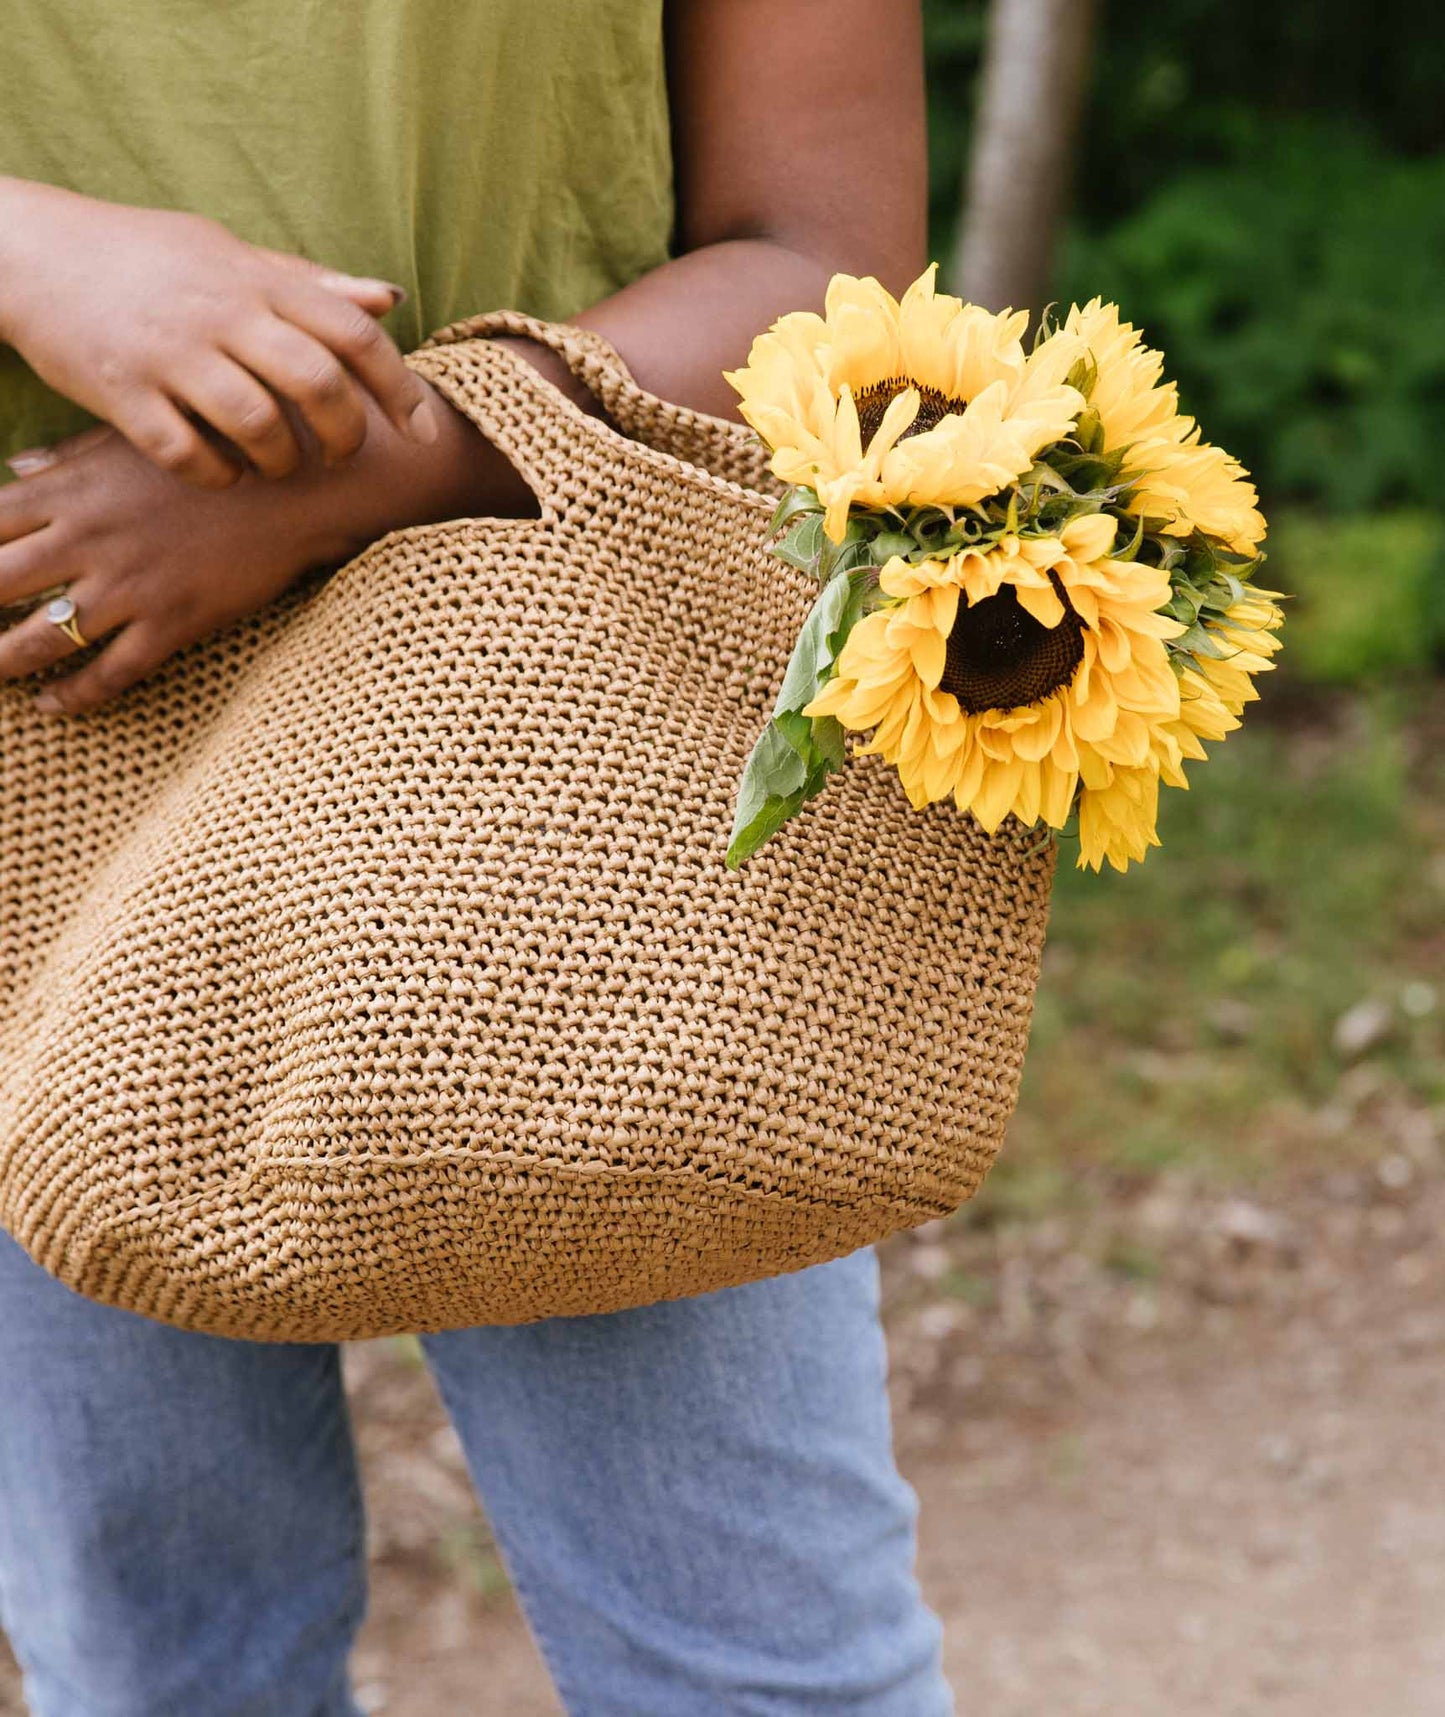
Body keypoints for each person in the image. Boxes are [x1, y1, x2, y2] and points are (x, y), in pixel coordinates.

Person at [0, 3, 951, 1712]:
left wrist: (345, 466)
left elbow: (823, 255)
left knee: (751, 1654)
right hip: (32, 719)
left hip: (552, 726)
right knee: (157, 1658)